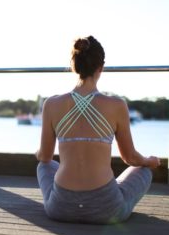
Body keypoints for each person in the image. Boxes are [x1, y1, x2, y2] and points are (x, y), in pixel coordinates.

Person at [35, 36, 161, 224]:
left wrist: (38, 152)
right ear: (101, 67)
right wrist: (149, 161)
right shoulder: (117, 105)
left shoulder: (51, 104)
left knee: (44, 166)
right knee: (144, 171)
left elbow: (44, 157)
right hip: (107, 211)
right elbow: (131, 159)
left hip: (60, 208)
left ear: (73, 66)